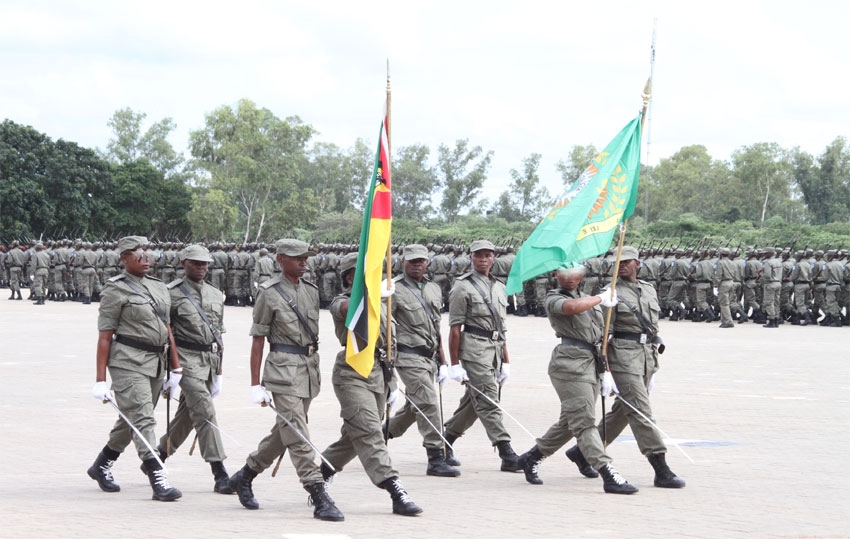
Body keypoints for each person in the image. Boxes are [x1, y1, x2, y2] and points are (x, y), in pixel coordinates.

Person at [228, 239, 343, 521]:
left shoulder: (311, 290)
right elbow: (258, 341)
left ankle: (246, 475)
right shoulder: (269, 293)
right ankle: (317, 492)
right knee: (299, 433)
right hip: (282, 370)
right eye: (297, 258)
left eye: (306, 257)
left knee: (288, 430)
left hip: (308, 369)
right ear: (280, 259)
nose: (304, 262)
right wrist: (255, 384)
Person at [567, 246, 686, 489]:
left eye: (626, 262)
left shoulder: (648, 289)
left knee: (624, 409)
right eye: (617, 262)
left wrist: (652, 364)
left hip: (646, 357)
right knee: (641, 411)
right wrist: (606, 371)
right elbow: (603, 339)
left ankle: (583, 451)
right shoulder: (609, 295)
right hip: (622, 358)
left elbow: (652, 326)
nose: (621, 266)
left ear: (637, 264)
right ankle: (660, 466)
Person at [516, 265, 637, 494]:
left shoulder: (586, 298)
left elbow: (601, 340)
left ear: (582, 275)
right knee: (584, 422)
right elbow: (570, 308)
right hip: (569, 365)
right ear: (556, 275)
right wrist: (600, 298)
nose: (570, 278)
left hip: (591, 363)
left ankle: (531, 457)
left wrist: (607, 371)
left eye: (575, 273)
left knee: (570, 422)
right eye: (564, 273)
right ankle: (607, 471)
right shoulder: (554, 297)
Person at [320, 252, 423, 516]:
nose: (373, 275)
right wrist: (374, 293)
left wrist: (392, 382)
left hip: (379, 375)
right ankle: (394, 488)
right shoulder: (341, 302)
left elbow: (390, 346)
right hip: (352, 373)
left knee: (356, 436)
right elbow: (351, 310)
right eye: (364, 272)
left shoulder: (384, 303)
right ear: (349, 277)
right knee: (369, 433)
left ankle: (320, 471)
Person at [87, 235, 183, 501]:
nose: (145, 257)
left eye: (147, 251)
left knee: (131, 418)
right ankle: (158, 479)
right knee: (143, 418)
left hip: (156, 362)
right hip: (127, 362)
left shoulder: (159, 287)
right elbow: (105, 335)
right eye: (136, 252)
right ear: (124, 258)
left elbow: (167, 328)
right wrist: (100, 380)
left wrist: (176, 368)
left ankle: (101, 465)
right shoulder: (115, 289)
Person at [149, 244, 233, 494]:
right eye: (196, 263)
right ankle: (220, 473)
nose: (201, 267)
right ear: (183, 263)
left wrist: (219, 372)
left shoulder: (216, 294)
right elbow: (167, 332)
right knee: (206, 411)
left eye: (205, 263)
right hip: (185, 359)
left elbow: (219, 334)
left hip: (209, 360)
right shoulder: (171, 293)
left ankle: (157, 457)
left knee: (188, 415)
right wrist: (172, 369)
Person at [442, 239, 521, 472]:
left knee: (473, 402)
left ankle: (444, 442)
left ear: (493, 258)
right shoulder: (462, 287)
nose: (483, 259)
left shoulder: (498, 286)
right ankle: (506, 452)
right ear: (471, 258)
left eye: (487, 255)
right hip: (475, 348)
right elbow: (455, 328)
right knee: (487, 400)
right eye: (479, 255)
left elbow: (501, 327)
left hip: (494, 348)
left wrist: (506, 360)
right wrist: (454, 364)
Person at [385, 244, 459, 477]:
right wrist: (388, 365)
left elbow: (436, 326)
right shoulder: (392, 289)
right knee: (427, 402)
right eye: (412, 260)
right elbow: (386, 328)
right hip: (407, 356)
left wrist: (443, 361)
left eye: (421, 261)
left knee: (414, 406)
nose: (417, 264)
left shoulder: (434, 288)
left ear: (428, 263)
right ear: (403, 262)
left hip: (430, 357)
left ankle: (379, 434)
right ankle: (436, 456)